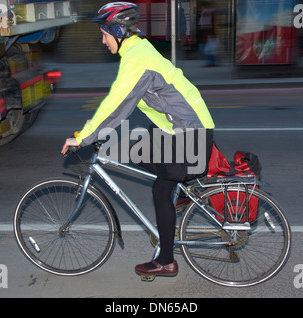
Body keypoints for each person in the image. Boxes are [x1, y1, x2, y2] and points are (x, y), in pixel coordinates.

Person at [61, 2, 215, 279]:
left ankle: (166, 260)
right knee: (138, 149)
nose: (103, 39)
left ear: (118, 31)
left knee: (159, 190)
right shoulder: (139, 51)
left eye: (105, 33)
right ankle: (181, 190)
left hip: (189, 134)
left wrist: (85, 138)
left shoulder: (137, 59)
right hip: (183, 129)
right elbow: (121, 103)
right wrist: (93, 127)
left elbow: (117, 102)